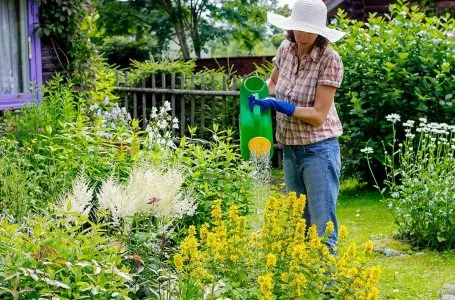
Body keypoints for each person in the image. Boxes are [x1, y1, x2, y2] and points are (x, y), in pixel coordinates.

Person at [249, 0, 346, 252]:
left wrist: (284, 107)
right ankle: (303, 282)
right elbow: (272, 83)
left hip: (319, 150)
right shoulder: (286, 49)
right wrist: (259, 95)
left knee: (322, 224)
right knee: (299, 222)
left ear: (321, 32)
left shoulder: (330, 59)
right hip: (290, 149)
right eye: (298, 29)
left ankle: (327, 286)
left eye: (310, 30)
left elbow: (318, 115)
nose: (303, 36)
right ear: (290, 28)